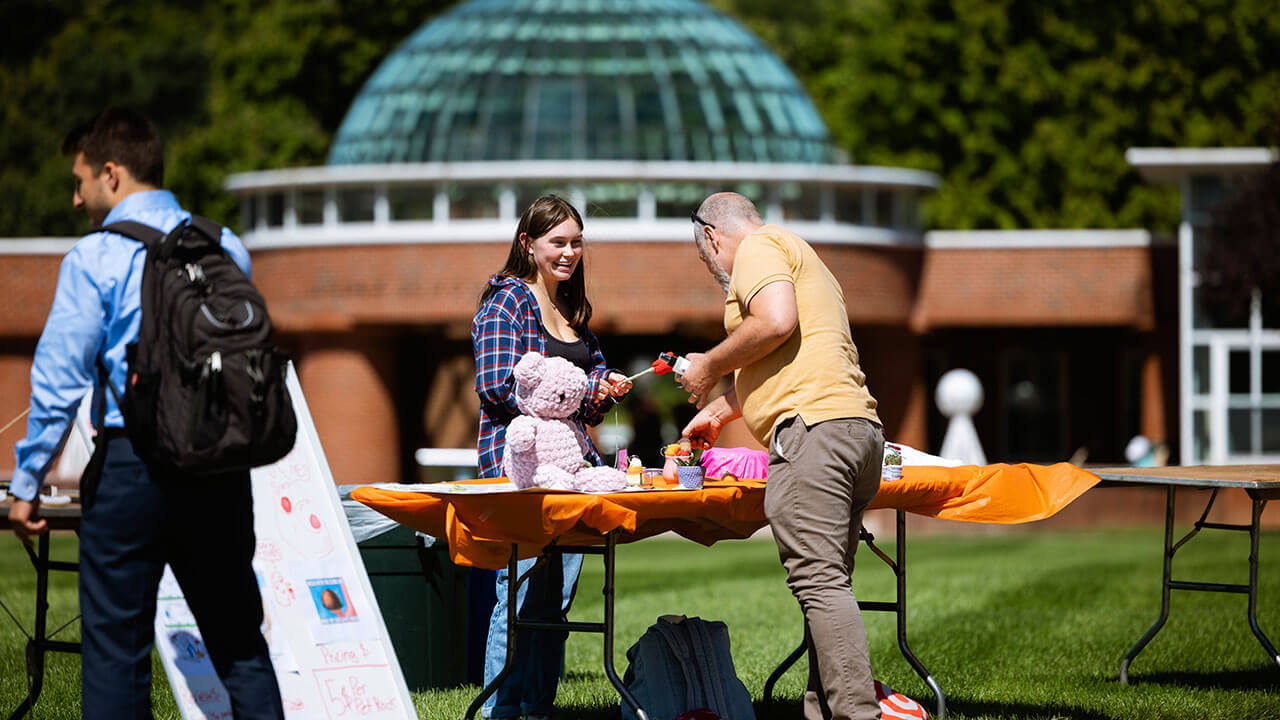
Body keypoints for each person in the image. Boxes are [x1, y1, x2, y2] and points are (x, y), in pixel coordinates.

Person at [8, 108, 284, 720]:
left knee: (115, 647)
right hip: (219, 464)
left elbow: (59, 379)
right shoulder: (223, 244)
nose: (76, 199)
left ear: (111, 173)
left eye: (78, 182)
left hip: (133, 463)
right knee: (238, 639)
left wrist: (28, 482)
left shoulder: (96, 256)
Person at [680, 192, 884, 720]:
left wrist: (707, 367)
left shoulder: (757, 247)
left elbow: (773, 322)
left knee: (818, 581)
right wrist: (724, 410)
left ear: (711, 235)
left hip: (814, 434)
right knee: (829, 582)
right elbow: (790, 355)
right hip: (855, 428)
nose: (716, 271)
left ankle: (858, 714)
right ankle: (822, 710)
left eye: (708, 263)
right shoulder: (802, 253)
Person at [472, 194, 630, 719]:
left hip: (573, 471)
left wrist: (603, 390)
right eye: (557, 242)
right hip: (518, 471)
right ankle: (502, 710)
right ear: (528, 244)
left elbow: (584, 397)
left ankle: (538, 710)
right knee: (516, 602)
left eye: (576, 242)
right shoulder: (507, 301)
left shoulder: (573, 313)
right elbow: (497, 385)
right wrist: (584, 386)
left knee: (554, 604)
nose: (569, 252)